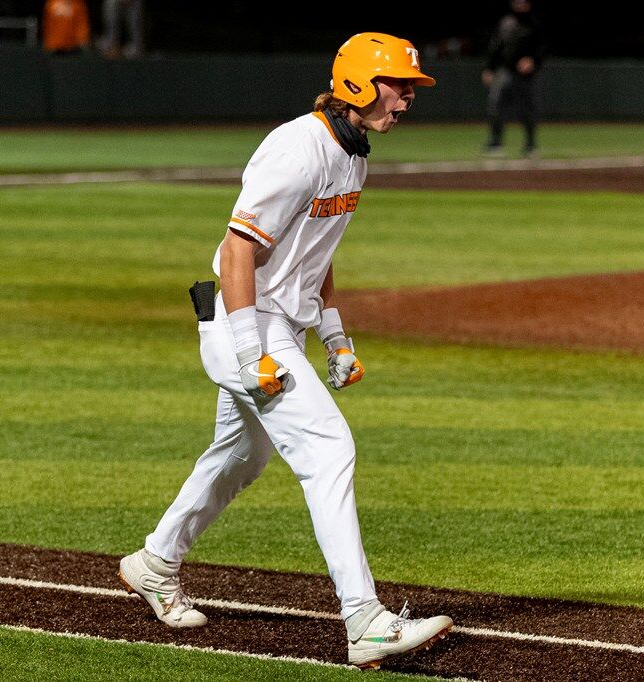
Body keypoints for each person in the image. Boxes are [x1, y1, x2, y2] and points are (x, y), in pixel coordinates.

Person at [116, 32, 453, 670]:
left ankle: (155, 562)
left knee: (237, 458)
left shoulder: (353, 153)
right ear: (357, 83)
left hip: (279, 326)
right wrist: (249, 352)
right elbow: (240, 247)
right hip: (246, 324)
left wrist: (334, 337)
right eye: (398, 86)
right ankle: (365, 621)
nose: (407, 99)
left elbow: (315, 252)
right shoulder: (298, 148)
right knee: (329, 448)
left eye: (411, 89)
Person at [482, 0, 546, 158]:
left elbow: (543, 47)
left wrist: (533, 60)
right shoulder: (506, 23)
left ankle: (530, 145)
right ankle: (495, 143)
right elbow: (496, 46)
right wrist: (489, 68)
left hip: (526, 76)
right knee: (495, 105)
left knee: (526, 110)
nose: (519, 5)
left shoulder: (535, 23)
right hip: (505, 70)